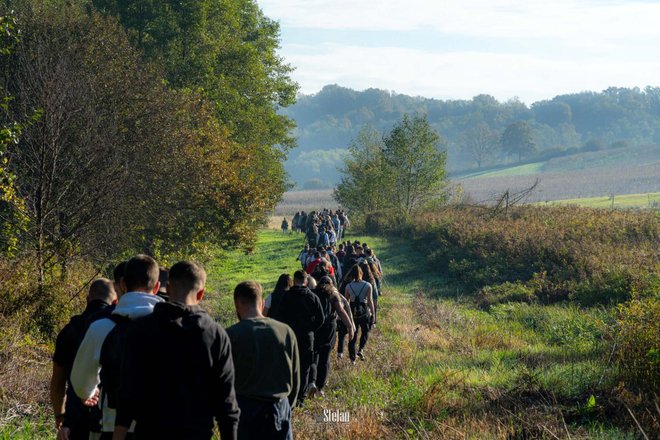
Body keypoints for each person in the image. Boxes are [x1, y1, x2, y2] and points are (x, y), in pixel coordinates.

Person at [113, 261, 239, 440]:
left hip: (150, 433)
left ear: (168, 288)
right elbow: (226, 402)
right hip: (197, 434)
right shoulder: (215, 335)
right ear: (201, 293)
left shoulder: (141, 329)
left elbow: (128, 392)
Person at [71, 255, 164, 440]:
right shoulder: (172, 326)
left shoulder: (101, 327)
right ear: (156, 287)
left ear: (122, 284)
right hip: (161, 425)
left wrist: (87, 392)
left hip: (112, 426)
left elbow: (80, 381)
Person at [227, 281, 300, 440]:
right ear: (261, 303)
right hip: (279, 406)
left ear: (237, 304)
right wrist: (287, 405)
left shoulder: (231, 335)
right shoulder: (285, 331)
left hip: (244, 409)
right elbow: (295, 378)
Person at [52, 279, 116, 440]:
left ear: (88, 299)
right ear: (115, 301)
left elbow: (57, 381)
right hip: (107, 418)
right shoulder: (114, 327)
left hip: (75, 418)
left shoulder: (69, 330)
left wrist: (60, 415)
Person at [269, 270, 324, 403]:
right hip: (306, 336)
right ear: (306, 281)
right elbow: (321, 318)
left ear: (294, 280)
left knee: (289, 366)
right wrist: (311, 329)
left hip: (289, 336)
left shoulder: (286, 297)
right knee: (304, 367)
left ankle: (289, 395)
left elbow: (278, 317)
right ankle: (301, 397)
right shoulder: (312, 297)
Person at [309, 277, 354, 396]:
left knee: (314, 354)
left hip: (315, 327)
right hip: (329, 328)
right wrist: (350, 327)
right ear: (331, 284)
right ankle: (320, 387)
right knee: (325, 357)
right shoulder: (333, 295)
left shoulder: (312, 293)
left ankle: (311, 381)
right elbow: (341, 311)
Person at [344, 265, 375, 365]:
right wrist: (373, 313)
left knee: (353, 333)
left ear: (352, 274)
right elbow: (370, 300)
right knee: (365, 331)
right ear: (362, 273)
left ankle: (353, 359)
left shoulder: (348, 286)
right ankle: (361, 349)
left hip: (353, 312)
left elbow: (346, 301)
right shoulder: (367, 285)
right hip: (364, 311)